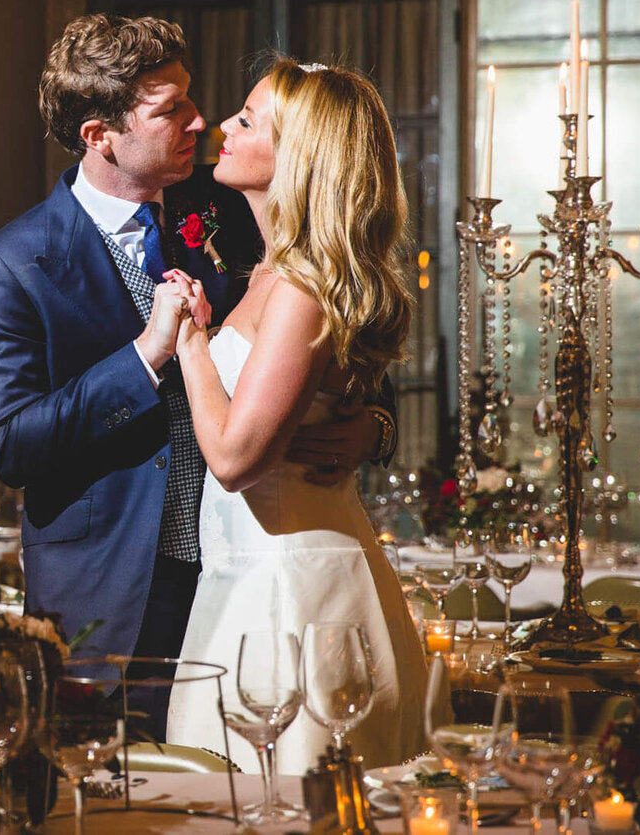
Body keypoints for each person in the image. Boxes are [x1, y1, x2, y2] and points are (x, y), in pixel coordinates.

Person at [0, 16, 397, 739]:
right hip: (108, 594)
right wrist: (143, 356)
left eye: (194, 99)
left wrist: (375, 424)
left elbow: (328, 327)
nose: (202, 120)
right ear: (99, 136)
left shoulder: (234, 201)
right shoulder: (16, 261)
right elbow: (11, 444)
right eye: (171, 110)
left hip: (246, 570)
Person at [162, 58, 428, 772]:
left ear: (298, 155)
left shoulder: (302, 286)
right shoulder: (272, 274)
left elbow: (235, 459)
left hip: (287, 594)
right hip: (250, 573)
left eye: (247, 121)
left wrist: (190, 343)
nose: (223, 126)